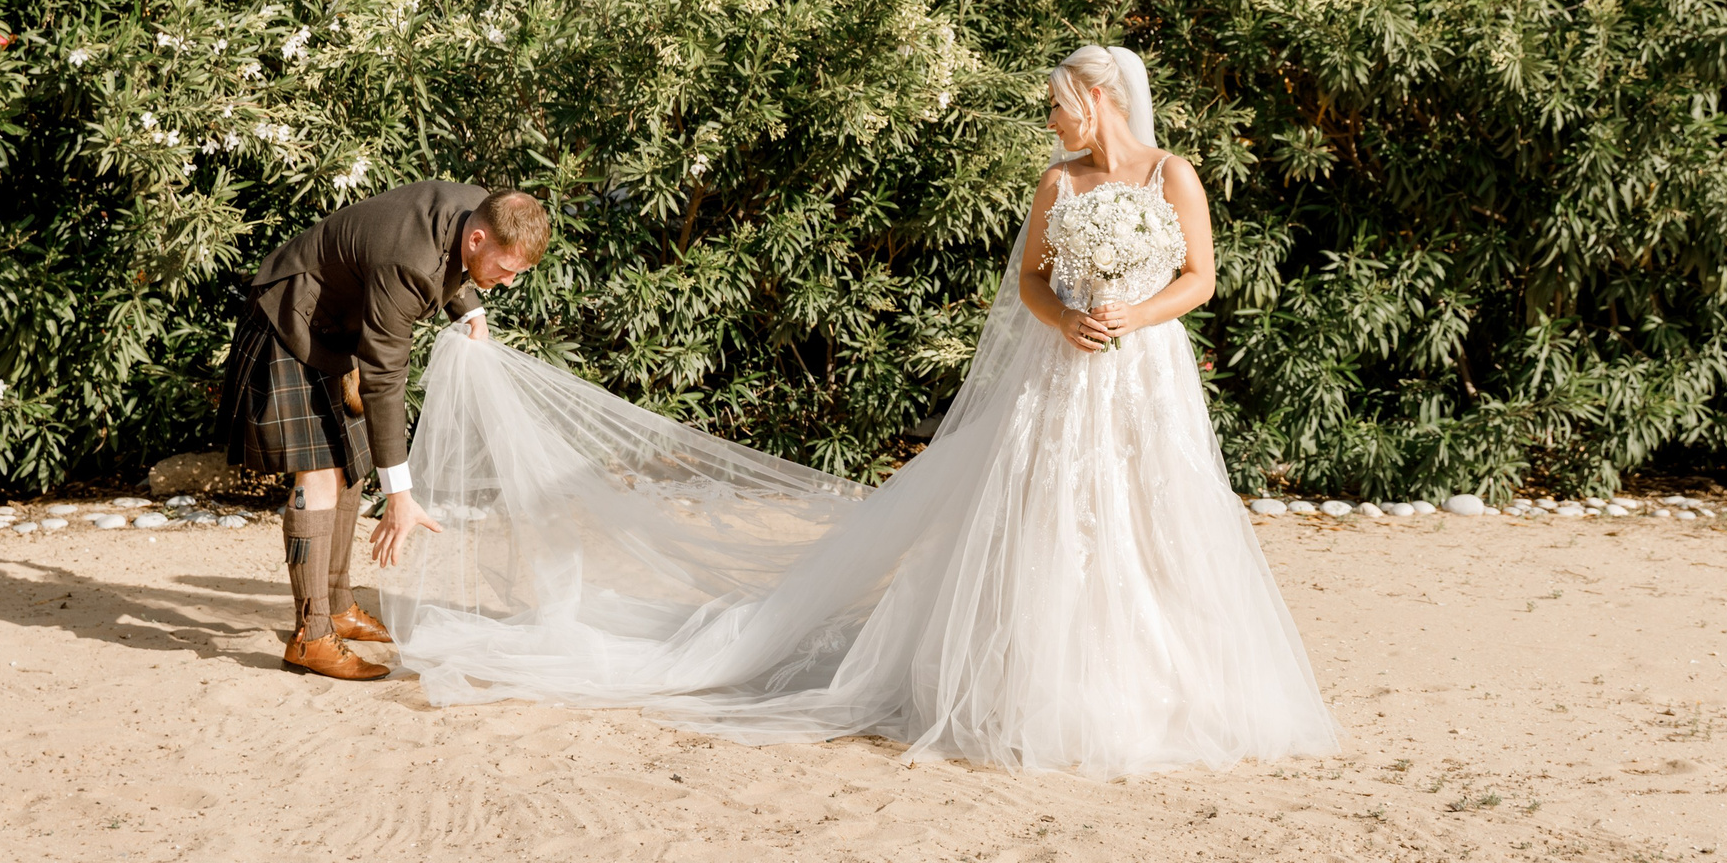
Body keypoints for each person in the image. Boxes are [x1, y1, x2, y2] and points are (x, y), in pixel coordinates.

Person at [385, 47, 1338, 776]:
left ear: (1098, 98)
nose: (1051, 124)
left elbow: (1202, 279)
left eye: (1057, 107)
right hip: (1066, 370)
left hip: (1146, 374)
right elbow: (1036, 287)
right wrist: (1074, 319)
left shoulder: (1171, 174)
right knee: (1061, 524)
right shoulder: (1057, 183)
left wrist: (1135, 313)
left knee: (1156, 521)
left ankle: (1175, 686)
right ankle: (1053, 691)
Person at [218, 180, 549, 679]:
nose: (505, 281)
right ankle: (311, 636)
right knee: (321, 475)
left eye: (516, 273)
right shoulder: (408, 263)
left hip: (334, 326)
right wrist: (400, 494)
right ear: (479, 239)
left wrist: (471, 308)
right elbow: (384, 375)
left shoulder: (482, 209)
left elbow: (451, 265)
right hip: (290, 318)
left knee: (351, 464)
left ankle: (339, 607)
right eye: (504, 270)